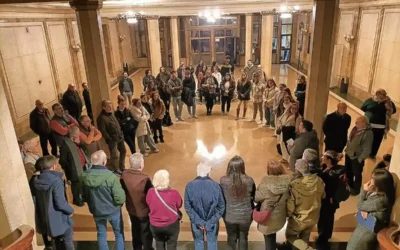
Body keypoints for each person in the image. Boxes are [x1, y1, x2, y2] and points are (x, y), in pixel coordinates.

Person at [82, 150, 126, 250]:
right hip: (113, 211)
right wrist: (119, 204)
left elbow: (82, 195)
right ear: (103, 162)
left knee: (101, 234)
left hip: (96, 210)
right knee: (118, 234)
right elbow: (120, 198)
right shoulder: (111, 177)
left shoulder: (84, 176)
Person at [33, 155, 75, 250]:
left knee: (55, 240)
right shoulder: (56, 181)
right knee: (67, 239)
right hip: (59, 217)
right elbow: (60, 203)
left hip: (45, 218)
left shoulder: (35, 180)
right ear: (53, 166)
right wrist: (70, 210)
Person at [347, 169, 395, 250]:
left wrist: (364, 190)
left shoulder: (380, 200)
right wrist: (363, 210)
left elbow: (360, 205)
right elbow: (362, 207)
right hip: (364, 226)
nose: (370, 179)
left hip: (366, 232)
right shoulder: (380, 193)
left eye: (372, 178)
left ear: (379, 183)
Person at [285, 159, 325, 250]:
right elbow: (323, 195)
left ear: (298, 170)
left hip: (299, 219)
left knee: (290, 236)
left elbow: (290, 205)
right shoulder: (318, 180)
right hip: (314, 216)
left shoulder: (294, 185)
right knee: (305, 236)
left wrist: (288, 214)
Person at [184, 163, 225, 250]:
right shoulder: (216, 186)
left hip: (196, 222)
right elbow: (221, 207)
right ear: (209, 172)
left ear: (197, 171)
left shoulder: (189, 185)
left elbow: (188, 207)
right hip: (212, 222)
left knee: (198, 243)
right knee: (212, 243)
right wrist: (210, 222)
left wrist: (199, 221)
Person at [220, 156, 255, 250]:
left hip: (230, 215)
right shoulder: (249, 180)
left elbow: (221, 198)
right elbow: (254, 197)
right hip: (246, 216)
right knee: (244, 237)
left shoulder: (223, 180)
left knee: (231, 238)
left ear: (229, 167)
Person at [255, 160, 290, 250]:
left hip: (267, 217)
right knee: (273, 232)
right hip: (280, 215)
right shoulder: (288, 182)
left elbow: (256, 198)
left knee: (268, 237)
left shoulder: (265, 184)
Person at [121, 153, 154, 250]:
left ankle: (137, 247)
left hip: (131, 209)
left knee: (135, 230)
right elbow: (151, 196)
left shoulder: (124, 175)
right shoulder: (145, 179)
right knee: (146, 232)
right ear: (140, 165)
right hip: (144, 211)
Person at [316, 150, 347, 249]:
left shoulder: (330, 174)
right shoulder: (340, 170)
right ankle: (327, 234)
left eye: (324, 157)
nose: (322, 158)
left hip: (327, 200)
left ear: (329, 160)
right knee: (329, 218)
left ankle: (322, 239)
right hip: (334, 201)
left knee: (323, 219)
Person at [146, 170, 182, 250]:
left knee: (159, 243)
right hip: (171, 225)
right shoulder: (174, 193)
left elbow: (148, 203)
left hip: (155, 225)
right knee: (171, 243)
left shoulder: (150, 192)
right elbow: (179, 205)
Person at [361, 89, 396, 158]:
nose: (384, 96)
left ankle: (372, 154)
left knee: (377, 141)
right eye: (382, 94)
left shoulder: (388, 102)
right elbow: (363, 107)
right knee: (367, 139)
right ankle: (365, 151)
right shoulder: (370, 100)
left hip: (381, 126)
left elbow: (393, 111)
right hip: (369, 125)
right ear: (377, 94)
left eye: (385, 94)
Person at [59, 126, 88, 206]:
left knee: (83, 183)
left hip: (82, 167)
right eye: (78, 134)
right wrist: (70, 169)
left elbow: (85, 149)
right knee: (76, 186)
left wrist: (79, 143)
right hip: (73, 170)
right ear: (74, 136)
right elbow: (62, 160)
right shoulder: (65, 145)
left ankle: (83, 197)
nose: (80, 135)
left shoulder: (77, 142)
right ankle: (77, 200)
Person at [345, 116, 373, 195]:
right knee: (348, 171)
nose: (355, 123)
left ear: (364, 123)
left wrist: (360, 159)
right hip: (349, 154)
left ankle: (355, 190)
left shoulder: (368, 133)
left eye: (358, 122)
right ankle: (348, 186)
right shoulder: (355, 128)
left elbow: (367, 149)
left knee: (356, 174)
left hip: (357, 157)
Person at [97, 100, 126, 173]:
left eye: (111, 106)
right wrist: (109, 139)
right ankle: (116, 169)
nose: (110, 108)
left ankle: (122, 166)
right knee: (114, 155)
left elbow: (117, 124)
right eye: (108, 107)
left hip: (119, 137)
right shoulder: (101, 118)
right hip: (112, 140)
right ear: (104, 107)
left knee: (123, 151)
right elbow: (103, 131)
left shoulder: (111, 114)